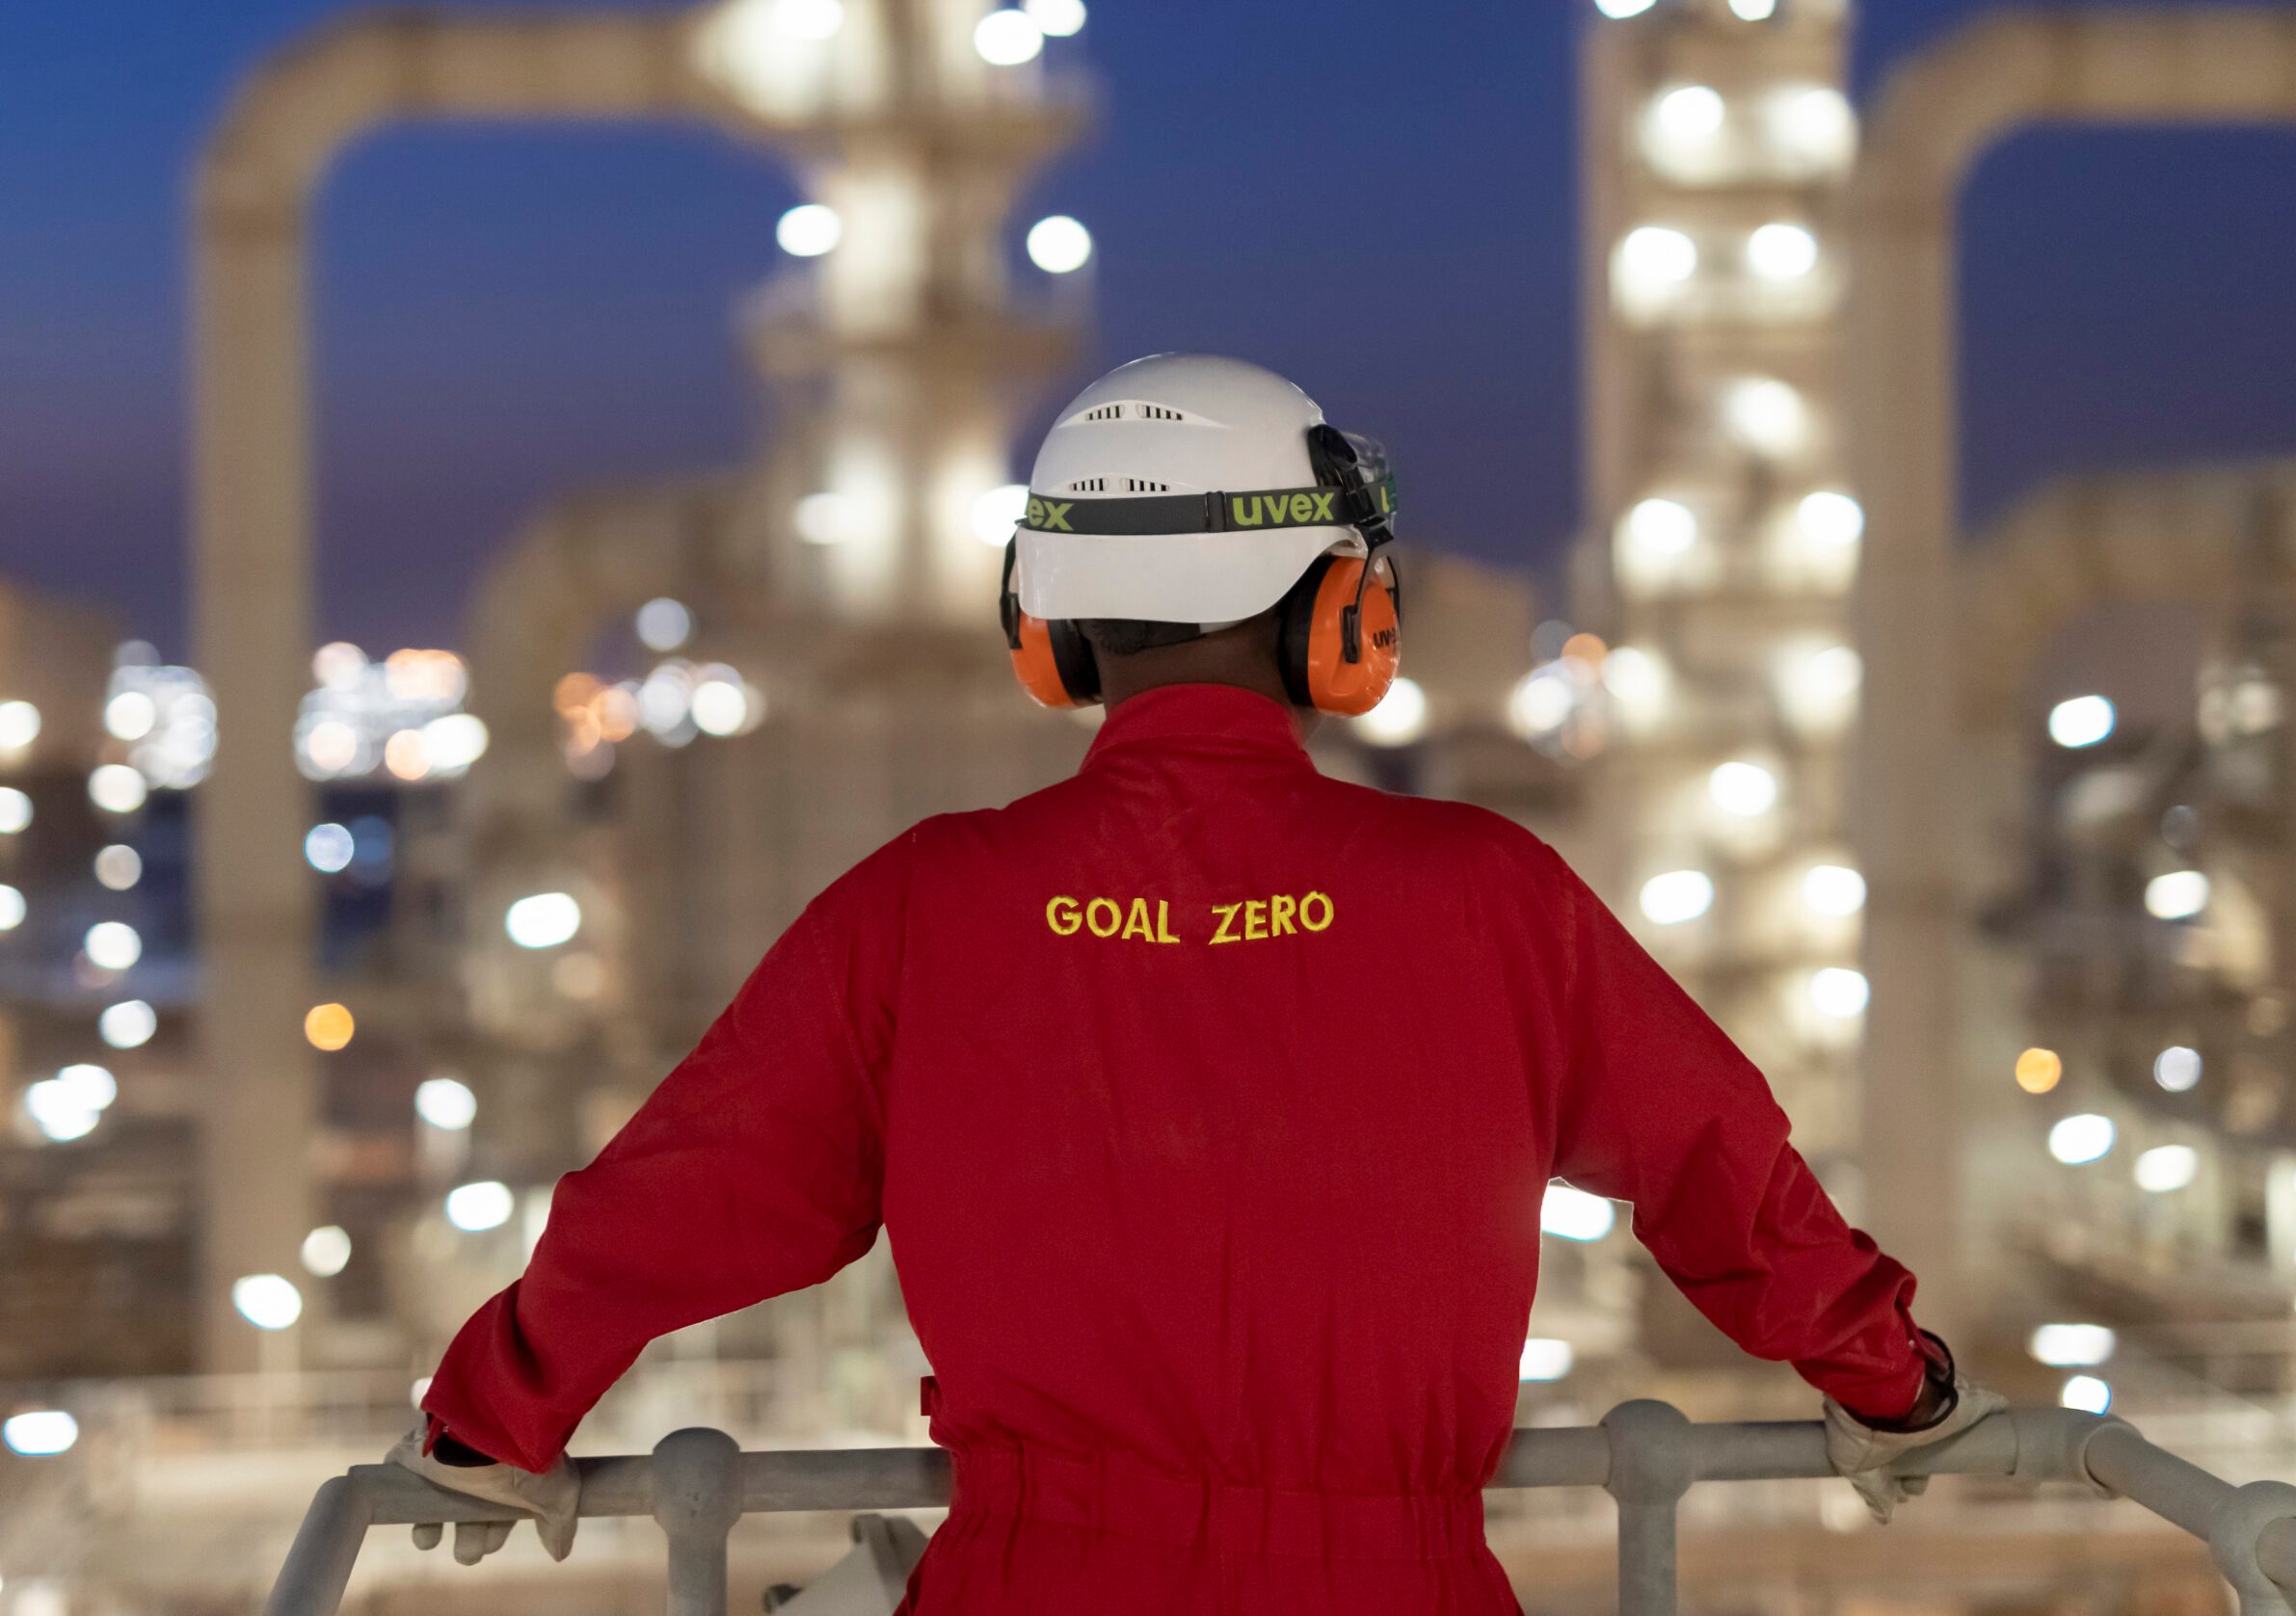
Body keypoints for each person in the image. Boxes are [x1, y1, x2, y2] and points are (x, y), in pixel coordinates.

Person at [386, 354, 2002, 1609]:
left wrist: (493, 1413)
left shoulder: (928, 902)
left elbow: (680, 1196)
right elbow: (1727, 1175)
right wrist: (1893, 1379)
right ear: (1335, 611)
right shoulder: (1481, 889)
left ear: (1053, 623)